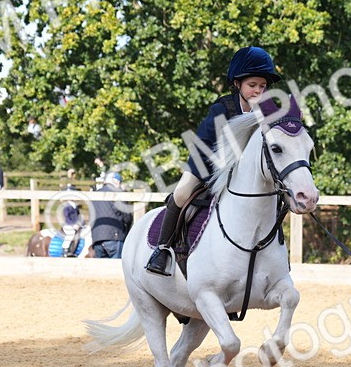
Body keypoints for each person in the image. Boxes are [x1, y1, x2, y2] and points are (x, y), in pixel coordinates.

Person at [145, 46, 280, 275]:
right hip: (208, 167)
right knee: (180, 194)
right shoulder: (222, 108)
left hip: (247, 177)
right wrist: (215, 177)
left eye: (263, 86)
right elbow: (204, 147)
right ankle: (162, 249)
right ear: (237, 84)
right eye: (252, 85)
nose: (258, 91)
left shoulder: (269, 111)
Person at [90, 172, 133, 258]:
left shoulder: (94, 195)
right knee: (116, 268)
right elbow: (127, 217)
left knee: (101, 269)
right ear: (116, 182)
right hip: (114, 237)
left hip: (97, 238)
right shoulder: (118, 194)